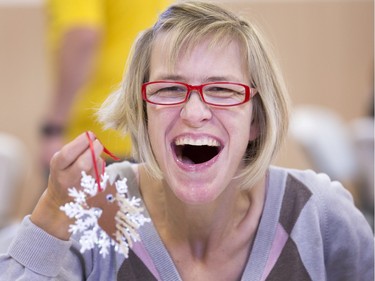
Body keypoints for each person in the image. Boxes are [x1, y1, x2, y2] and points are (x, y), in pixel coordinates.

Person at [1, 1, 373, 280]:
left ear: (256, 120)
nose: (194, 112)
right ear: (142, 113)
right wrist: (51, 209)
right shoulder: (99, 213)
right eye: (170, 88)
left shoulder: (318, 216)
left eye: (223, 90)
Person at [41, 0, 171, 169]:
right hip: (148, 121)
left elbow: (81, 34)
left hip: (99, 130)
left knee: (59, 194)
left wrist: (55, 126)